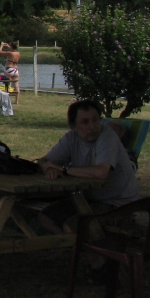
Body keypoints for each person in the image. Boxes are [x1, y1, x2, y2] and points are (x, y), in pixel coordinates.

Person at [36, 99, 140, 232]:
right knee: (45, 218)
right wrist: (49, 168)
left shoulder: (108, 137)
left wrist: (63, 169)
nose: (92, 126)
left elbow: (102, 173)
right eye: (85, 122)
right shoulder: (72, 137)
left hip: (118, 204)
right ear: (73, 126)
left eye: (95, 120)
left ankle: (79, 246)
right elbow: (44, 160)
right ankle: (75, 246)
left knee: (74, 226)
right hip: (87, 198)